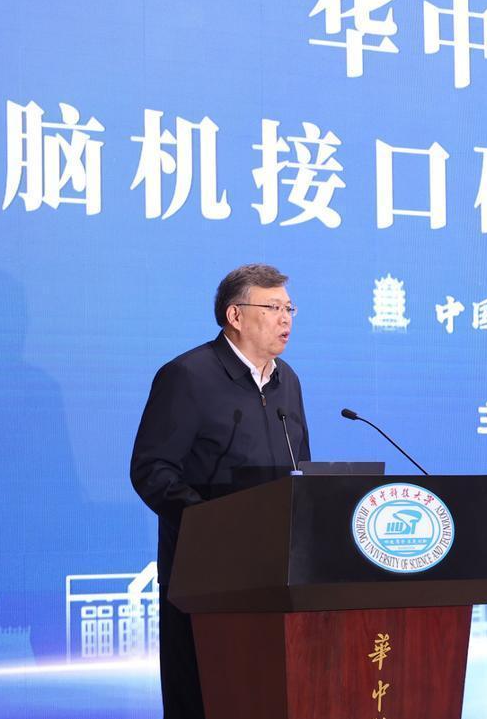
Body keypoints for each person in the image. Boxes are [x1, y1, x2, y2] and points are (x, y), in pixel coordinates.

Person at [131, 264, 310, 719]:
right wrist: (212, 526)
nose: (285, 318)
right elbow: (152, 470)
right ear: (235, 315)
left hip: (278, 576)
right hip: (203, 576)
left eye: (289, 308)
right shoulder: (187, 376)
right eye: (273, 307)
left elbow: (299, 474)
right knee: (206, 700)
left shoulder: (287, 380)